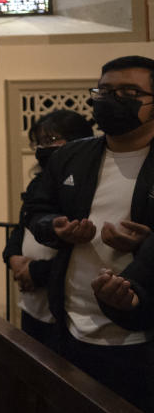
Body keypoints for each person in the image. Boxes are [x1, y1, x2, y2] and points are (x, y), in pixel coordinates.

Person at [23, 56, 154, 412]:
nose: (113, 99)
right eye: (105, 91)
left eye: (129, 92)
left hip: (139, 336)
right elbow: (35, 210)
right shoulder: (72, 156)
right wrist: (55, 228)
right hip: (68, 324)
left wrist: (144, 246)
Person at [2, 110, 94, 348]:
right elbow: (24, 225)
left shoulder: (86, 186)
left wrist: (36, 271)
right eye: (39, 142)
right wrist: (13, 258)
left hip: (64, 306)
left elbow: (88, 248)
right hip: (32, 303)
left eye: (50, 140)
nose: (42, 148)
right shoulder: (39, 182)